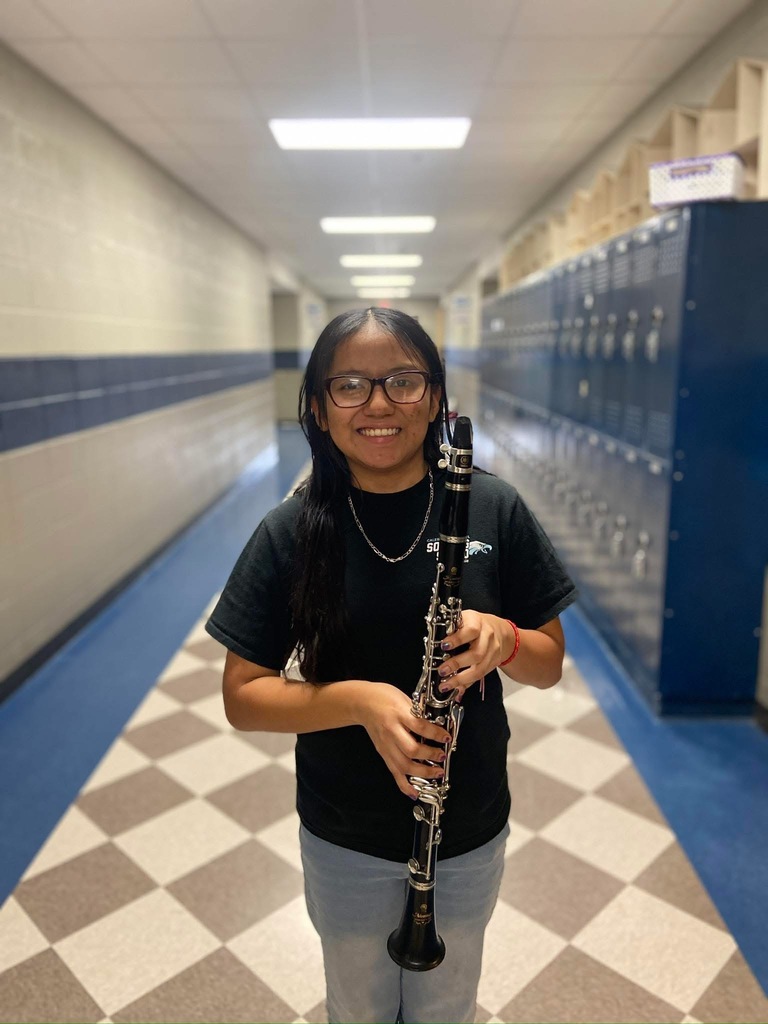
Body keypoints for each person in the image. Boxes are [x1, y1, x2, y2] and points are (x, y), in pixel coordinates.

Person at [205, 307, 577, 1024]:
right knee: (359, 1003)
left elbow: (550, 664)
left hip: (465, 821)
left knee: (447, 1001)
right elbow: (243, 697)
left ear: (436, 397)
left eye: (403, 381)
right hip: (345, 827)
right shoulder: (291, 529)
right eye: (349, 385)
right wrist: (363, 702)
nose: (379, 404)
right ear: (316, 406)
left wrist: (504, 635)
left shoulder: (492, 508)